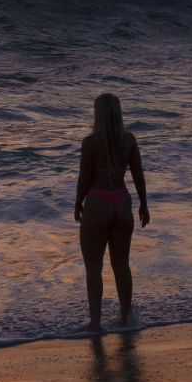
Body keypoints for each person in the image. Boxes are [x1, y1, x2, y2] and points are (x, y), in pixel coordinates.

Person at [74, 93, 149, 333]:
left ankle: (95, 323)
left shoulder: (90, 142)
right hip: (122, 202)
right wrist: (144, 204)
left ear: (98, 114)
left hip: (98, 202)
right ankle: (127, 318)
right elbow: (138, 175)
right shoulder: (129, 140)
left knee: (94, 268)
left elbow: (85, 178)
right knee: (122, 265)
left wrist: (77, 203)